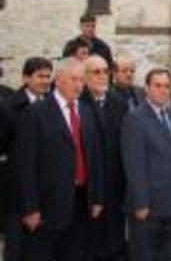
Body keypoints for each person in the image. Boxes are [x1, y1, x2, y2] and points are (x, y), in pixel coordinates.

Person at [14, 57, 105, 261]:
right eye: (74, 79)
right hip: (47, 206)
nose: (79, 85)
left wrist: (97, 197)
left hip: (81, 202)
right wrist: (30, 208)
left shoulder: (88, 112)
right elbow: (25, 165)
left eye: (82, 79)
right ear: (58, 80)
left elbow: (95, 158)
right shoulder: (36, 113)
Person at [121, 68, 171, 261]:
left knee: (167, 255)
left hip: (170, 204)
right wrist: (141, 203)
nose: (163, 90)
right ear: (146, 89)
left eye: (166, 86)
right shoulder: (135, 118)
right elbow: (134, 164)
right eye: (157, 86)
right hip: (147, 207)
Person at [0, 57, 53, 261]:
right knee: (16, 249)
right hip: (16, 192)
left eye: (48, 76)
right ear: (25, 77)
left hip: (44, 190)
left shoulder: (51, 105)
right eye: (40, 76)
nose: (45, 81)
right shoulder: (9, 108)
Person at [81, 55, 129, 261]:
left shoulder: (119, 103)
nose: (102, 76)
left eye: (105, 72)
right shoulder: (77, 103)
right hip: (87, 188)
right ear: (84, 76)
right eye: (96, 72)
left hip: (115, 184)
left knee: (114, 243)